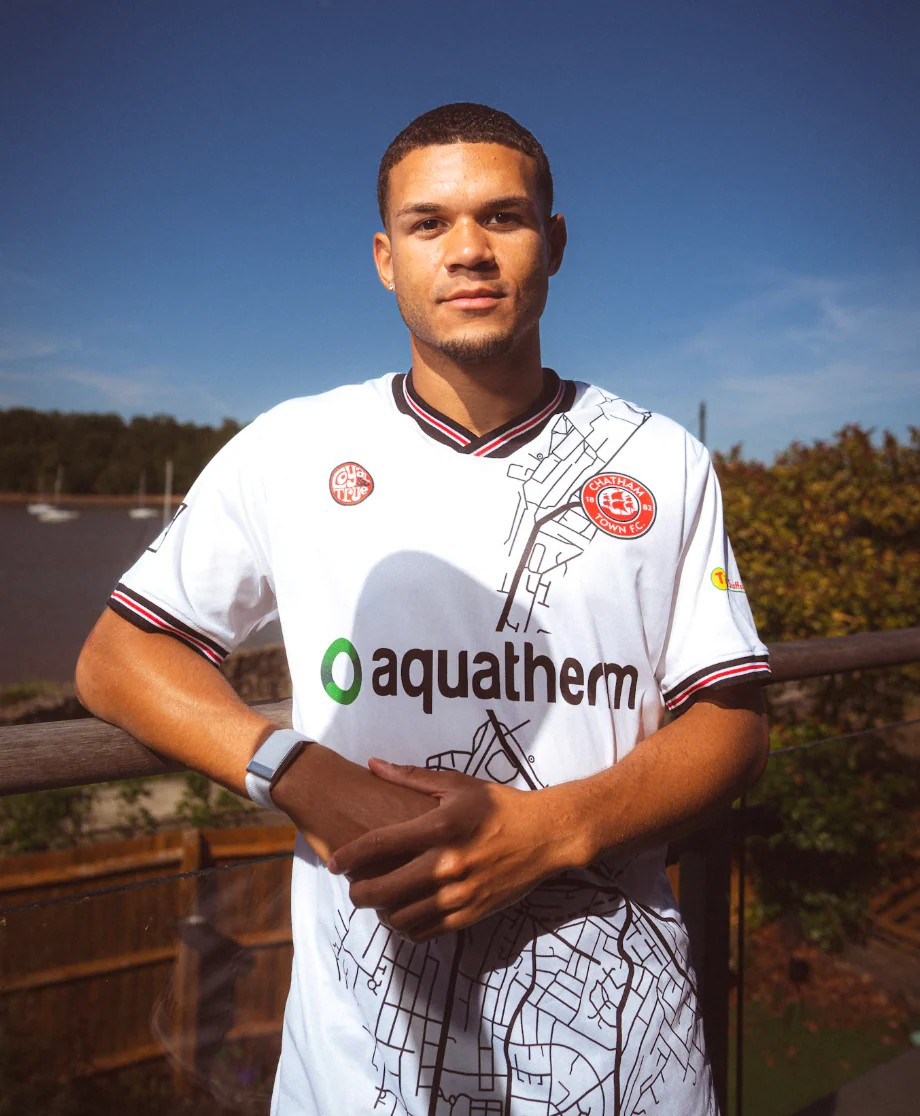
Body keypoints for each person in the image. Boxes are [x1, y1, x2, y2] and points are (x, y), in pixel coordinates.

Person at [76, 102, 770, 1116]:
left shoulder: (661, 458)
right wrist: (299, 774)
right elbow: (118, 659)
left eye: (503, 217)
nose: (469, 250)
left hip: (624, 1060)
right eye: (429, 222)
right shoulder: (291, 448)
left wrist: (549, 832)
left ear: (554, 243)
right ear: (384, 258)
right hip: (362, 1069)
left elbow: (733, 724)